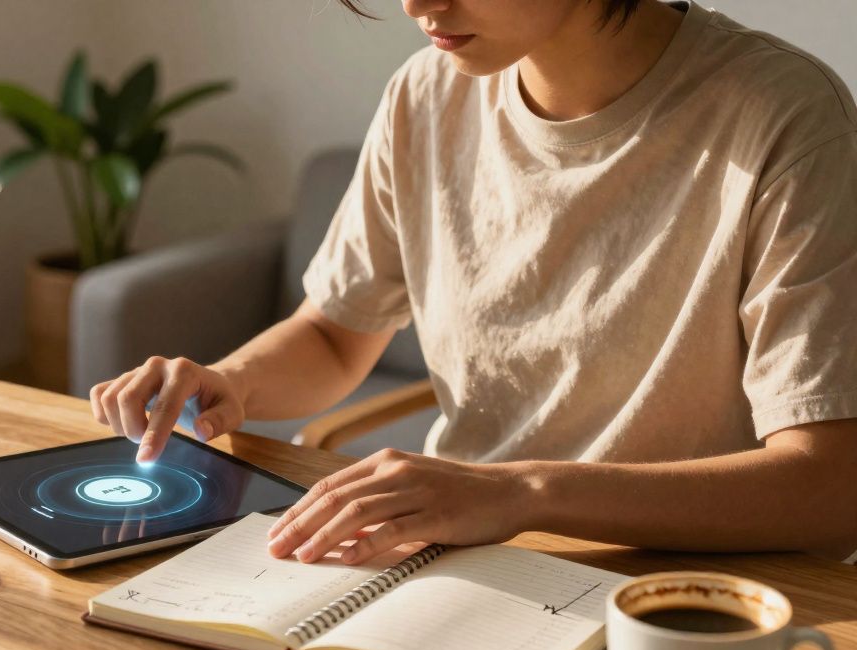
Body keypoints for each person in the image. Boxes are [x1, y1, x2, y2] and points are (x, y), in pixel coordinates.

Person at [89, 0, 857, 565]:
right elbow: (334, 335)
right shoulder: (425, 96)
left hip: (694, 590)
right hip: (460, 560)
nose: (416, 5)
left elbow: (831, 487)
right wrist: (231, 381)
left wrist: (523, 494)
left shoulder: (785, 115)